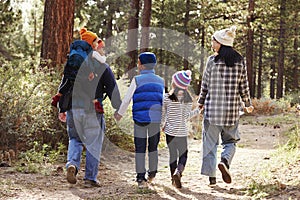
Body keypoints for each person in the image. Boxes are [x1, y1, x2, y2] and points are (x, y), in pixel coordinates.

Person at [56, 28, 122, 187]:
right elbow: (113, 89)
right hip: (94, 109)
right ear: (92, 46)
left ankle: (72, 164)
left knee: (74, 139)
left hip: (73, 108)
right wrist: (118, 108)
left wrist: (61, 108)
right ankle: (90, 178)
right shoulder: (102, 65)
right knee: (93, 143)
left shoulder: (72, 63)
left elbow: (63, 87)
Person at [198, 25, 254, 187]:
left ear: (221, 43)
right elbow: (243, 86)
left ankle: (212, 178)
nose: (212, 43)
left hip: (212, 111)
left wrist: (201, 102)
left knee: (210, 144)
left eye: (214, 40)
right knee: (230, 141)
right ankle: (225, 161)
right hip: (231, 111)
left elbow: (205, 86)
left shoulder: (211, 61)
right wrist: (247, 104)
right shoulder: (239, 61)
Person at [114, 52, 164, 188]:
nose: (137, 65)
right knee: (153, 147)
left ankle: (141, 178)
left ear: (141, 65)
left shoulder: (137, 80)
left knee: (140, 148)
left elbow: (127, 99)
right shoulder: (161, 80)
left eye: (138, 62)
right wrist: (164, 120)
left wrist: (119, 113)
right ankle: (152, 173)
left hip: (140, 119)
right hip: (155, 119)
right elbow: (163, 102)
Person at [161, 70, 199, 188]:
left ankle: (173, 178)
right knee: (183, 154)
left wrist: (163, 124)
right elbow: (187, 116)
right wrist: (198, 110)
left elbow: (163, 113)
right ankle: (179, 171)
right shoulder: (188, 100)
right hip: (181, 132)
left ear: (174, 84)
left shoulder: (167, 97)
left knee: (172, 154)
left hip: (170, 132)